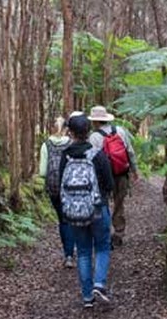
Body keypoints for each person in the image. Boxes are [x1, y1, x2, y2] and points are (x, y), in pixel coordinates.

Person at [59, 113, 115, 308]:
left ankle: (87, 297)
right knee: (102, 246)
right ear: (88, 131)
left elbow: (60, 185)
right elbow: (109, 183)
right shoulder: (97, 154)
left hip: (74, 212)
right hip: (98, 209)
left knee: (82, 251)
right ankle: (99, 283)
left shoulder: (65, 156)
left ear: (71, 132)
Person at [87, 105, 138, 247]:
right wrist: (134, 170)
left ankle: (105, 233)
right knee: (119, 203)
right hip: (121, 173)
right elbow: (130, 152)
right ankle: (119, 232)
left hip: (103, 177)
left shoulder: (94, 137)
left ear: (95, 121)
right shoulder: (120, 131)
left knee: (103, 203)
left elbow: (92, 159)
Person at [39, 116, 76, 268]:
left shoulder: (45, 145)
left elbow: (42, 172)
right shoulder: (71, 143)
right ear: (66, 128)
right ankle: (71, 252)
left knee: (62, 220)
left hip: (53, 188)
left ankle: (67, 254)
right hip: (70, 187)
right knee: (71, 219)